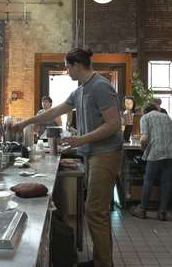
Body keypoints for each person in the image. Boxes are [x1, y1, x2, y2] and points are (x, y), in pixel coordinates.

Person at [14, 48, 123, 267]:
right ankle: (102, 260)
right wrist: (26, 122)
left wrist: (81, 140)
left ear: (76, 65)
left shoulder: (100, 86)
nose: (66, 70)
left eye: (67, 66)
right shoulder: (80, 90)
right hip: (93, 154)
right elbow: (53, 112)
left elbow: (114, 124)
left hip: (106, 154)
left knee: (95, 211)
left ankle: (104, 263)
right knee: (95, 211)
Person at [130, 102, 172, 221]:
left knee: (149, 180)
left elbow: (144, 138)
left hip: (156, 152)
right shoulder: (167, 117)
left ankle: (142, 209)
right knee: (167, 182)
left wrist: (143, 149)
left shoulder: (145, 118)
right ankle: (162, 212)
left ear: (144, 111)